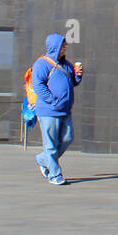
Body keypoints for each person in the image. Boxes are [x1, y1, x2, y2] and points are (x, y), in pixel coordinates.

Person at [32, 33, 82, 185]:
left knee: (68, 138)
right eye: (63, 45)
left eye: (65, 45)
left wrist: (78, 76)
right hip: (49, 110)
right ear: (55, 47)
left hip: (65, 110)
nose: (65, 48)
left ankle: (42, 159)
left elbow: (72, 82)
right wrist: (53, 100)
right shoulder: (42, 64)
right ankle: (55, 175)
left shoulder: (66, 64)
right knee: (51, 144)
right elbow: (38, 85)